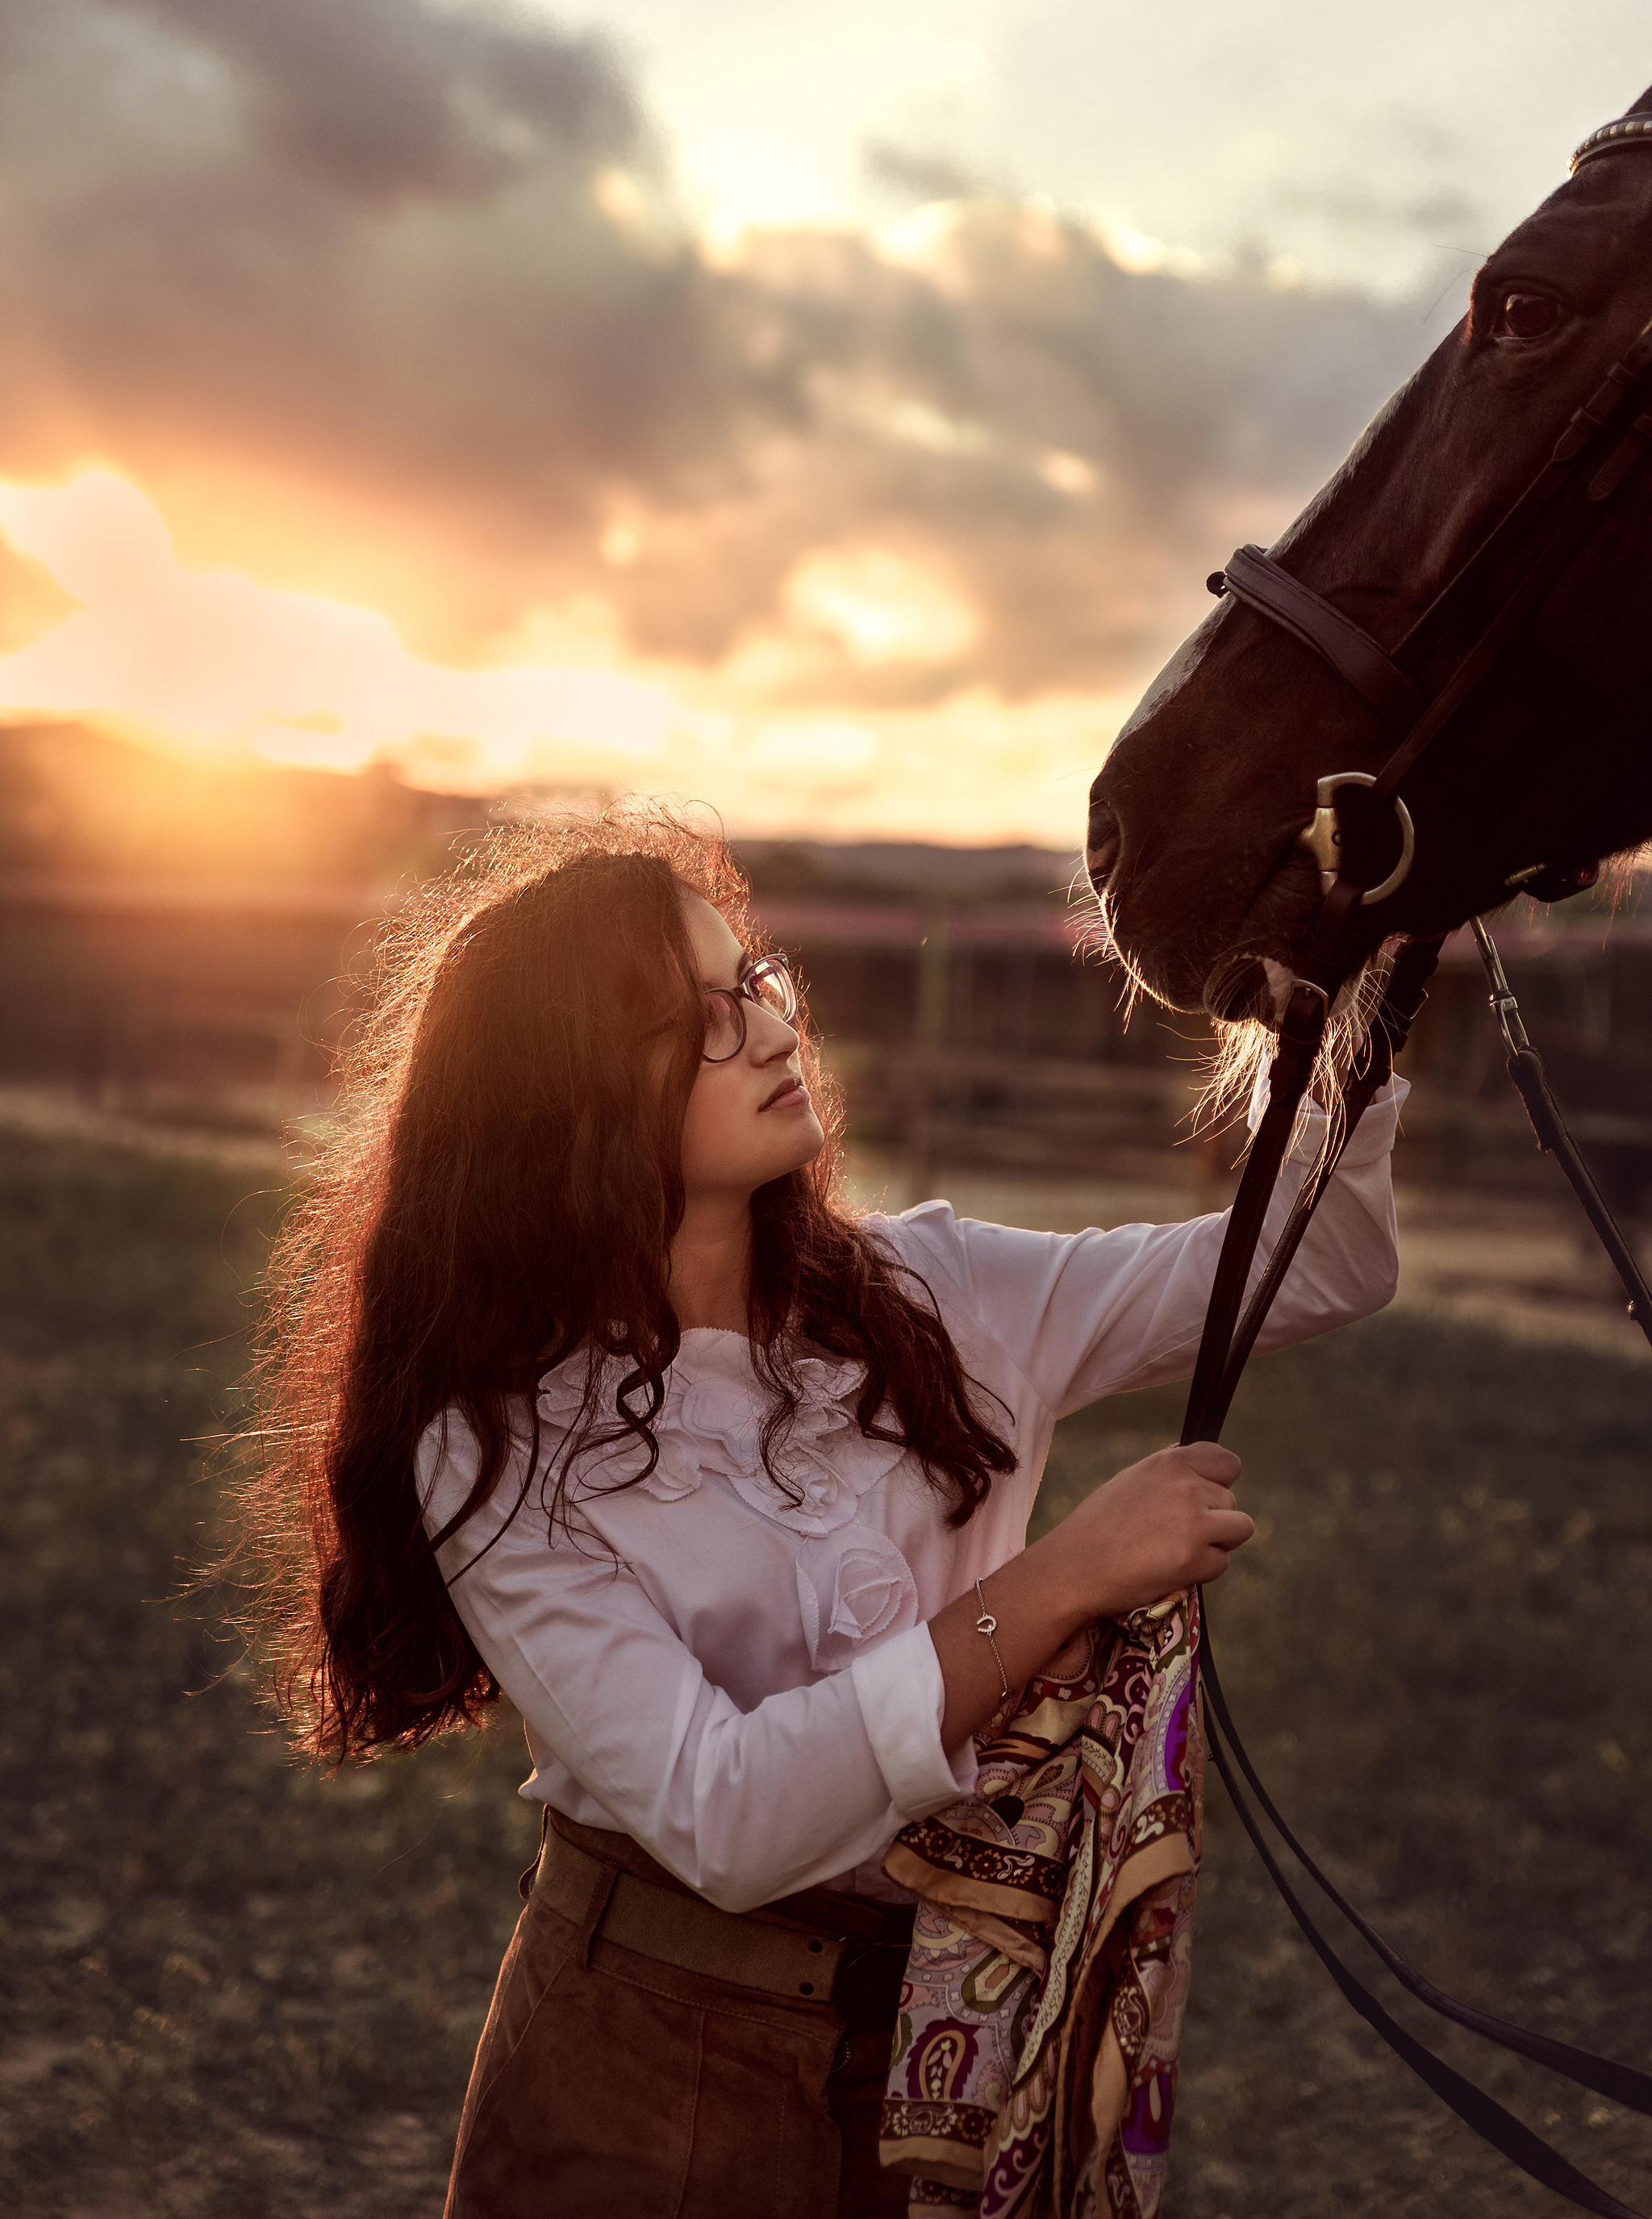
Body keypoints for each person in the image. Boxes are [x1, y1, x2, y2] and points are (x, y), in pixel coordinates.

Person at [247, 804, 1404, 2219]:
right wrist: (1064, 1578)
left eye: (755, 981)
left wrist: (1349, 991)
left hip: (955, 2041)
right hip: (644, 2069)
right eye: (698, 1020)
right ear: (564, 1098)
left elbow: (1323, 1259)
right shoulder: (498, 1440)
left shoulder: (939, 1291)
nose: (769, 1031)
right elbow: (726, 1819)